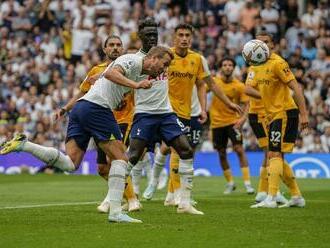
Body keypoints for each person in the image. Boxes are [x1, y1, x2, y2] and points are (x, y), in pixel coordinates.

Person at [0, 46, 173, 223]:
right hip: (97, 108)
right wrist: (134, 85)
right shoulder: (133, 61)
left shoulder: (141, 72)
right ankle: (115, 213)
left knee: (70, 163)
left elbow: (105, 75)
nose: (164, 69)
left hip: (81, 108)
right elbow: (111, 73)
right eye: (164, 64)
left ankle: (24, 145)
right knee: (121, 158)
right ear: (153, 58)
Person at [143, 24, 242, 205]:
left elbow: (209, 84)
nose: (184, 38)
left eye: (188, 35)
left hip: (186, 112)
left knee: (176, 149)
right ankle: (171, 191)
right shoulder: (165, 56)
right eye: (180, 35)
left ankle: (170, 193)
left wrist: (227, 103)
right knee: (174, 149)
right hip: (165, 110)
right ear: (174, 37)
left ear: (192, 37)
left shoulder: (197, 59)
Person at [125, 21, 206, 215]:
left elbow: (196, 80)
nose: (152, 37)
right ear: (140, 36)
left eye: (155, 34)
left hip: (167, 114)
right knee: (134, 156)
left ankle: (184, 203)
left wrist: (201, 107)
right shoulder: (134, 60)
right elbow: (119, 80)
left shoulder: (165, 55)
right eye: (148, 34)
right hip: (144, 114)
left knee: (186, 150)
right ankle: (113, 197)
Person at [53, 35, 141, 213]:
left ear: (123, 49)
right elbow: (81, 94)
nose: (115, 48)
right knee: (102, 168)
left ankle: (130, 200)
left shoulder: (130, 68)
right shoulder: (95, 70)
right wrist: (65, 109)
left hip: (122, 120)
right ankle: (122, 196)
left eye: (118, 45)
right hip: (97, 119)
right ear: (105, 49)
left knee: (115, 158)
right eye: (111, 45)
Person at [245, 31, 308, 208]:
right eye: (258, 42)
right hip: (273, 115)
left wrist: (304, 114)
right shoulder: (256, 65)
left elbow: (296, 88)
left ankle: (271, 197)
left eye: (265, 42)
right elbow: (248, 90)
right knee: (277, 155)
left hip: (286, 113)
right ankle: (296, 196)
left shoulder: (279, 63)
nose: (261, 45)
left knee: (274, 154)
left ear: (272, 45)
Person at [209, 57, 255, 195]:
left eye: (230, 65)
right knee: (221, 153)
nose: (227, 67)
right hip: (216, 123)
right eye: (225, 65)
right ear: (220, 67)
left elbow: (247, 103)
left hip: (233, 122)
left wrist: (243, 119)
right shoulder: (214, 82)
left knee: (239, 149)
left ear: (234, 68)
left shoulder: (239, 85)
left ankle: (248, 184)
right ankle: (230, 183)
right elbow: (200, 88)